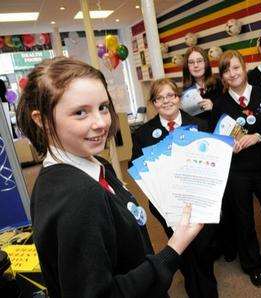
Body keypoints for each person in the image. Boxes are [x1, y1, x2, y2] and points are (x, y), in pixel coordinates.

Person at [16, 57, 203, 298]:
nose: (101, 123)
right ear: (41, 119)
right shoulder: (78, 196)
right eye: (80, 112)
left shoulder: (94, 164)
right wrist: (174, 248)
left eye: (103, 107)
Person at [131, 78, 218, 298]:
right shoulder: (142, 134)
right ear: (153, 103)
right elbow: (136, 168)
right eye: (159, 98)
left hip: (198, 200)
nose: (166, 101)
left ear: (178, 98)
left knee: (203, 248)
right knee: (183, 250)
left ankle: (208, 291)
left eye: (170, 95)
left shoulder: (200, 125)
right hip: (166, 204)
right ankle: (192, 285)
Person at [211, 50, 261, 287]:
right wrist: (228, 146)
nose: (232, 73)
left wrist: (258, 136)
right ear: (223, 76)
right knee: (243, 219)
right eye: (227, 70)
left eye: (236, 67)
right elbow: (217, 140)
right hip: (238, 171)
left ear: (245, 68)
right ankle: (253, 264)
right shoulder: (220, 105)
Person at [182, 46, 222, 126]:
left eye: (199, 61)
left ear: (205, 63)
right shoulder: (186, 90)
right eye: (191, 62)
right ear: (187, 66)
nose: (196, 65)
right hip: (200, 134)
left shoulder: (219, 83)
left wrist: (214, 107)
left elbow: (230, 111)